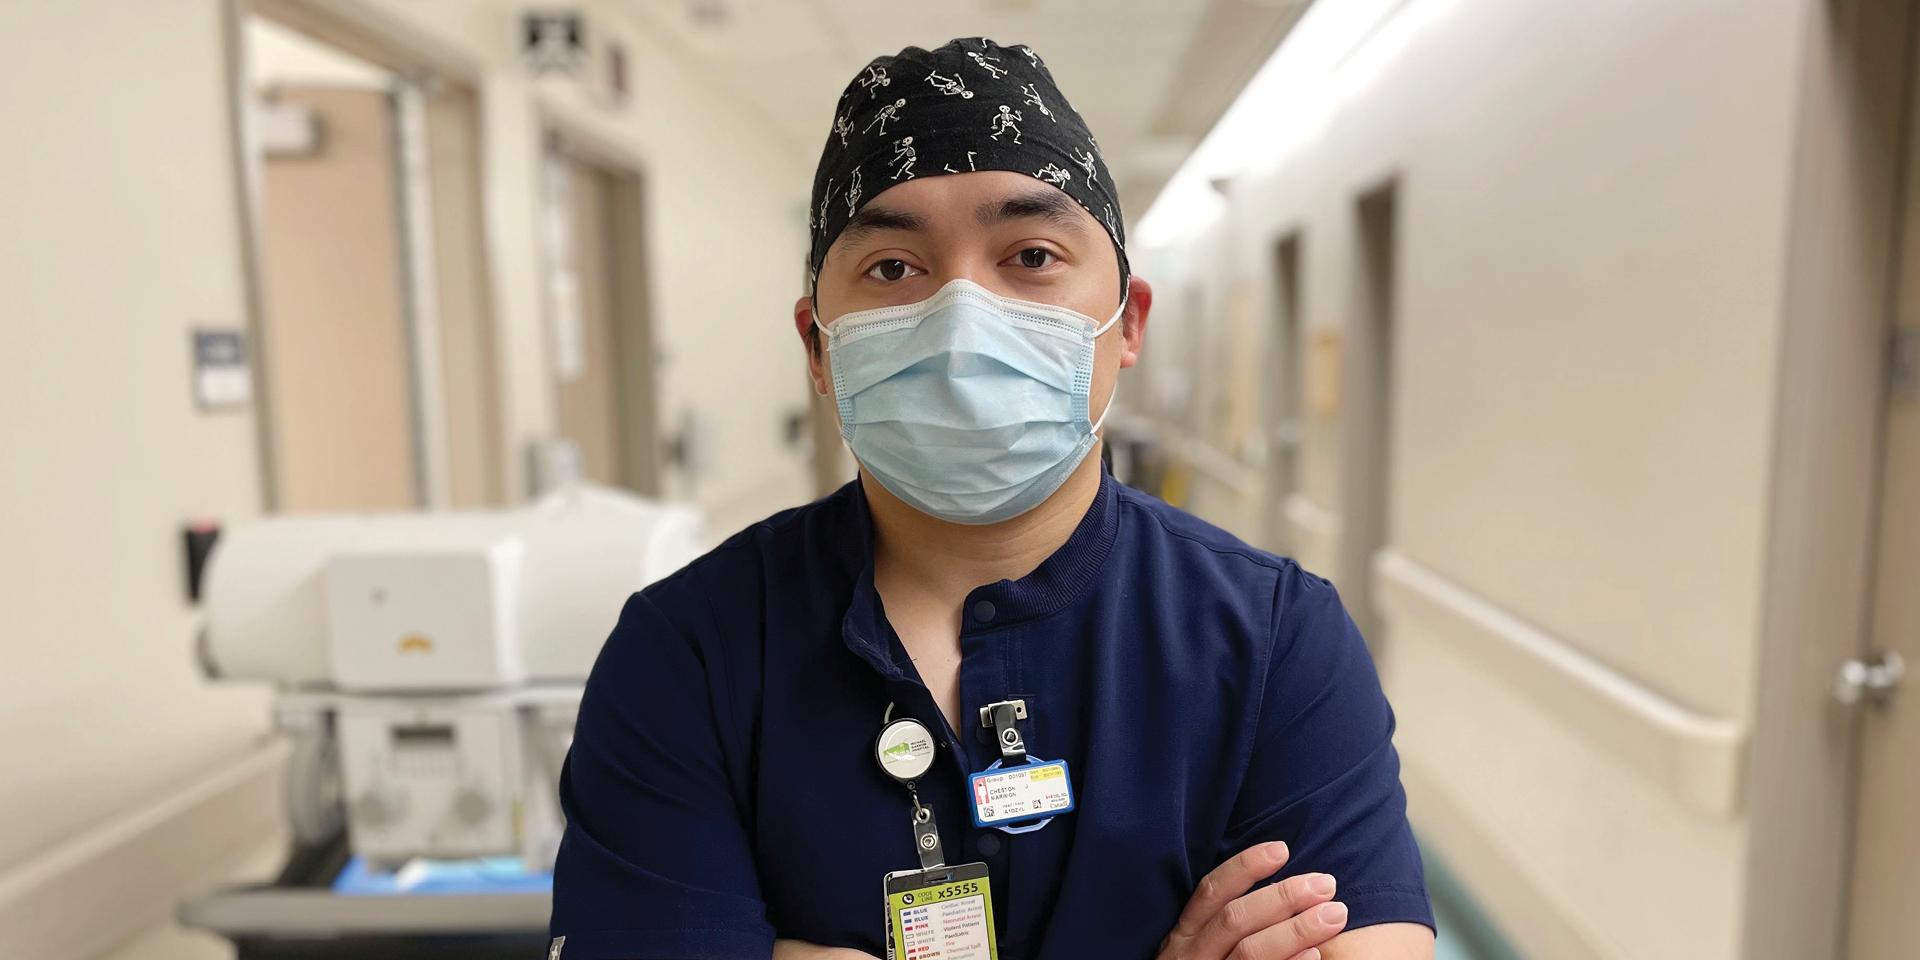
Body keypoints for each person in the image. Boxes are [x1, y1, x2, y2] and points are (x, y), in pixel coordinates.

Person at [548, 37, 1436, 960]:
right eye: (895, 267)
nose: (963, 317)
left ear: (1125, 323)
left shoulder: (1272, 638)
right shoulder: (690, 650)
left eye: (1032, 254)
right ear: (820, 346)